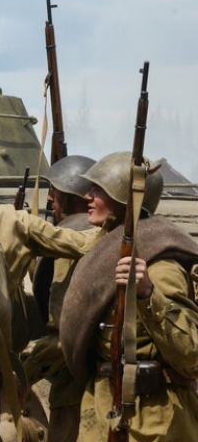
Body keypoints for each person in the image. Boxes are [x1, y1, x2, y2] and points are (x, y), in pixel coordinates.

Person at [61, 152, 198, 440]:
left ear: (124, 199)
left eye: (99, 190)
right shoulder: (104, 251)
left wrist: (148, 293)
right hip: (101, 410)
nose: (88, 196)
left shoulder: (160, 267)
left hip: (151, 420)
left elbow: (191, 355)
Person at [23, 155, 97, 442]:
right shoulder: (109, 233)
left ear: (73, 196)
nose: (50, 198)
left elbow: (63, 331)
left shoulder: (72, 235)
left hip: (75, 385)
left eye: (55, 191)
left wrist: (21, 375)